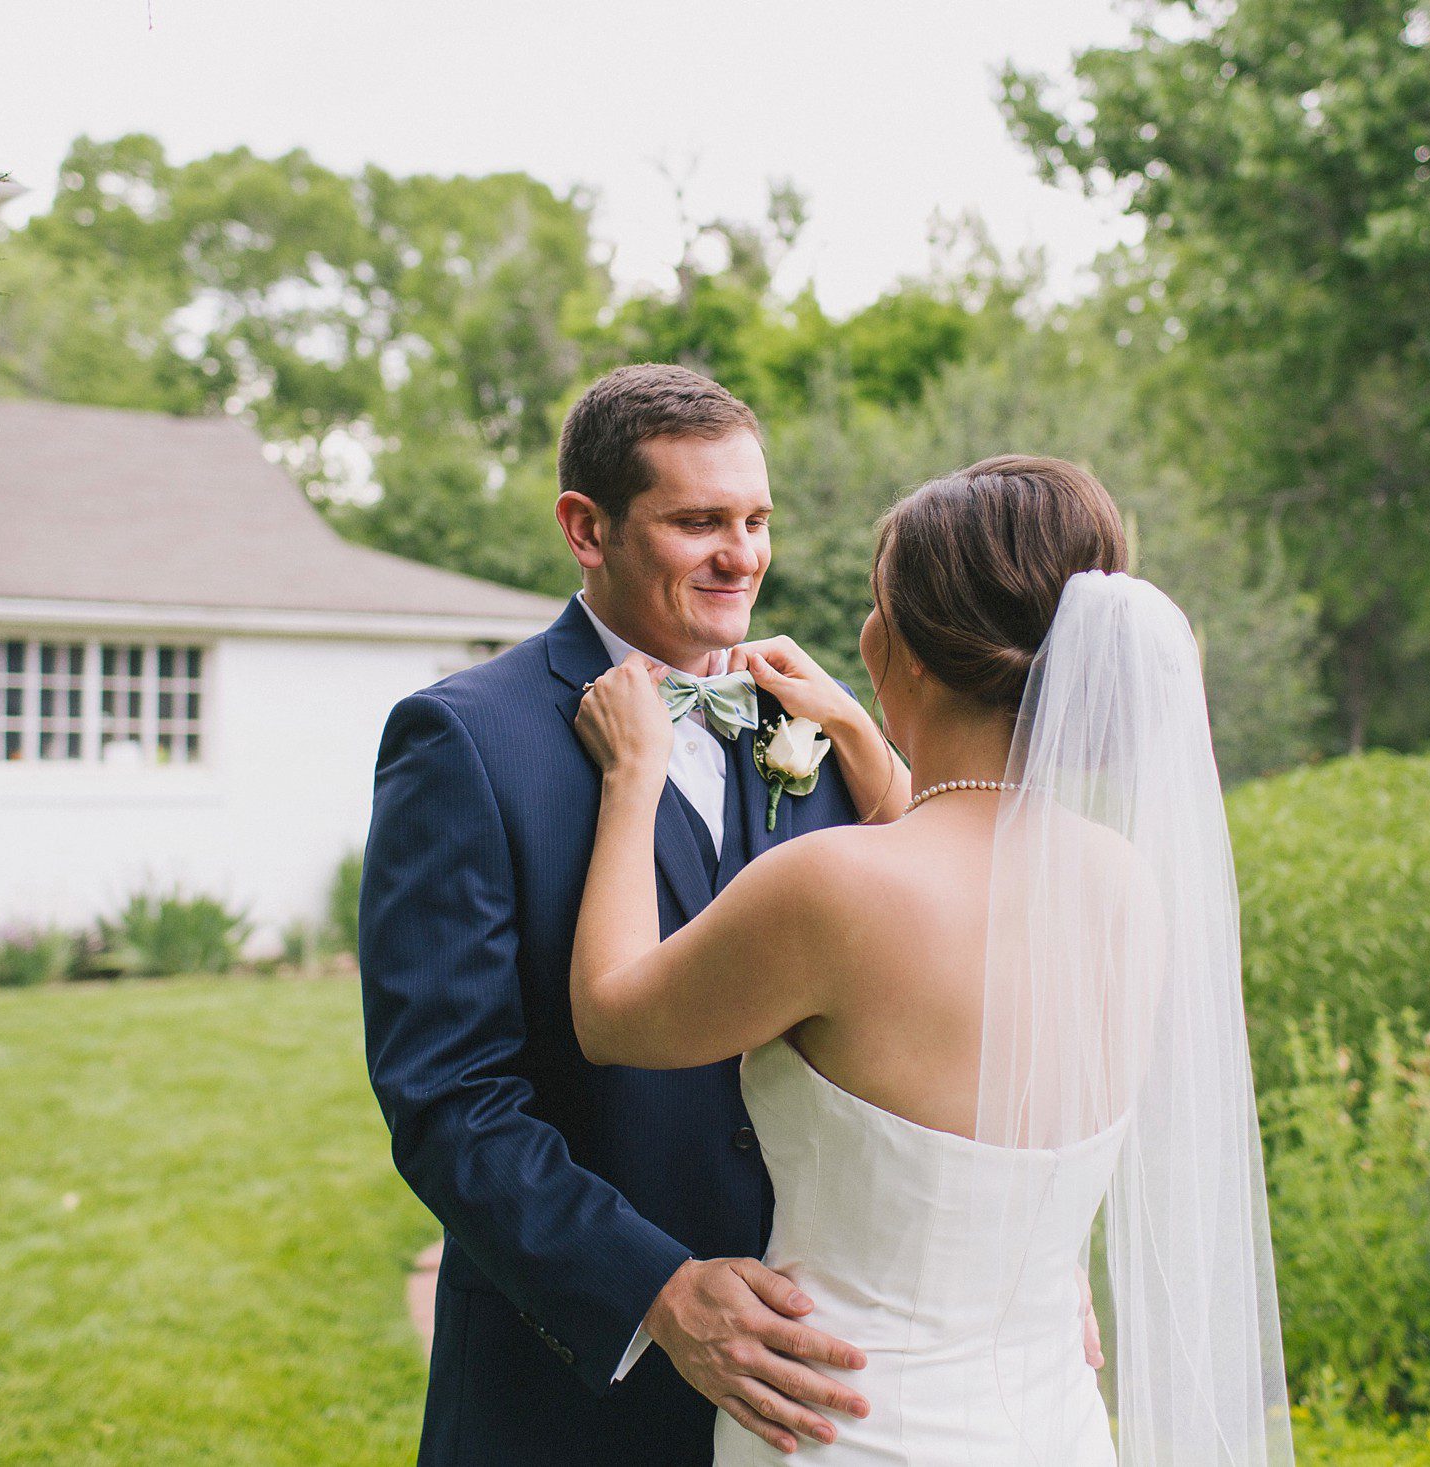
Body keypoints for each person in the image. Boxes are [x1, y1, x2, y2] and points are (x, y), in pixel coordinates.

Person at [572, 456, 1296, 1464]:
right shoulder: (1123, 884)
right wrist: (868, 740)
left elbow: (611, 1013)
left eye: (878, 604)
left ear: (900, 645)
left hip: (842, 1427)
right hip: (1051, 1425)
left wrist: (632, 780)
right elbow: (959, 876)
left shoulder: (830, 889)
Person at [358, 363, 911, 1466]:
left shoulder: (806, 723)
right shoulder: (464, 741)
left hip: (817, 1376)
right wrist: (653, 1288)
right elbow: (447, 1099)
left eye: (756, 520)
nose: (742, 556)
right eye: (698, 521)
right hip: (570, 1391)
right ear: (586, 527)